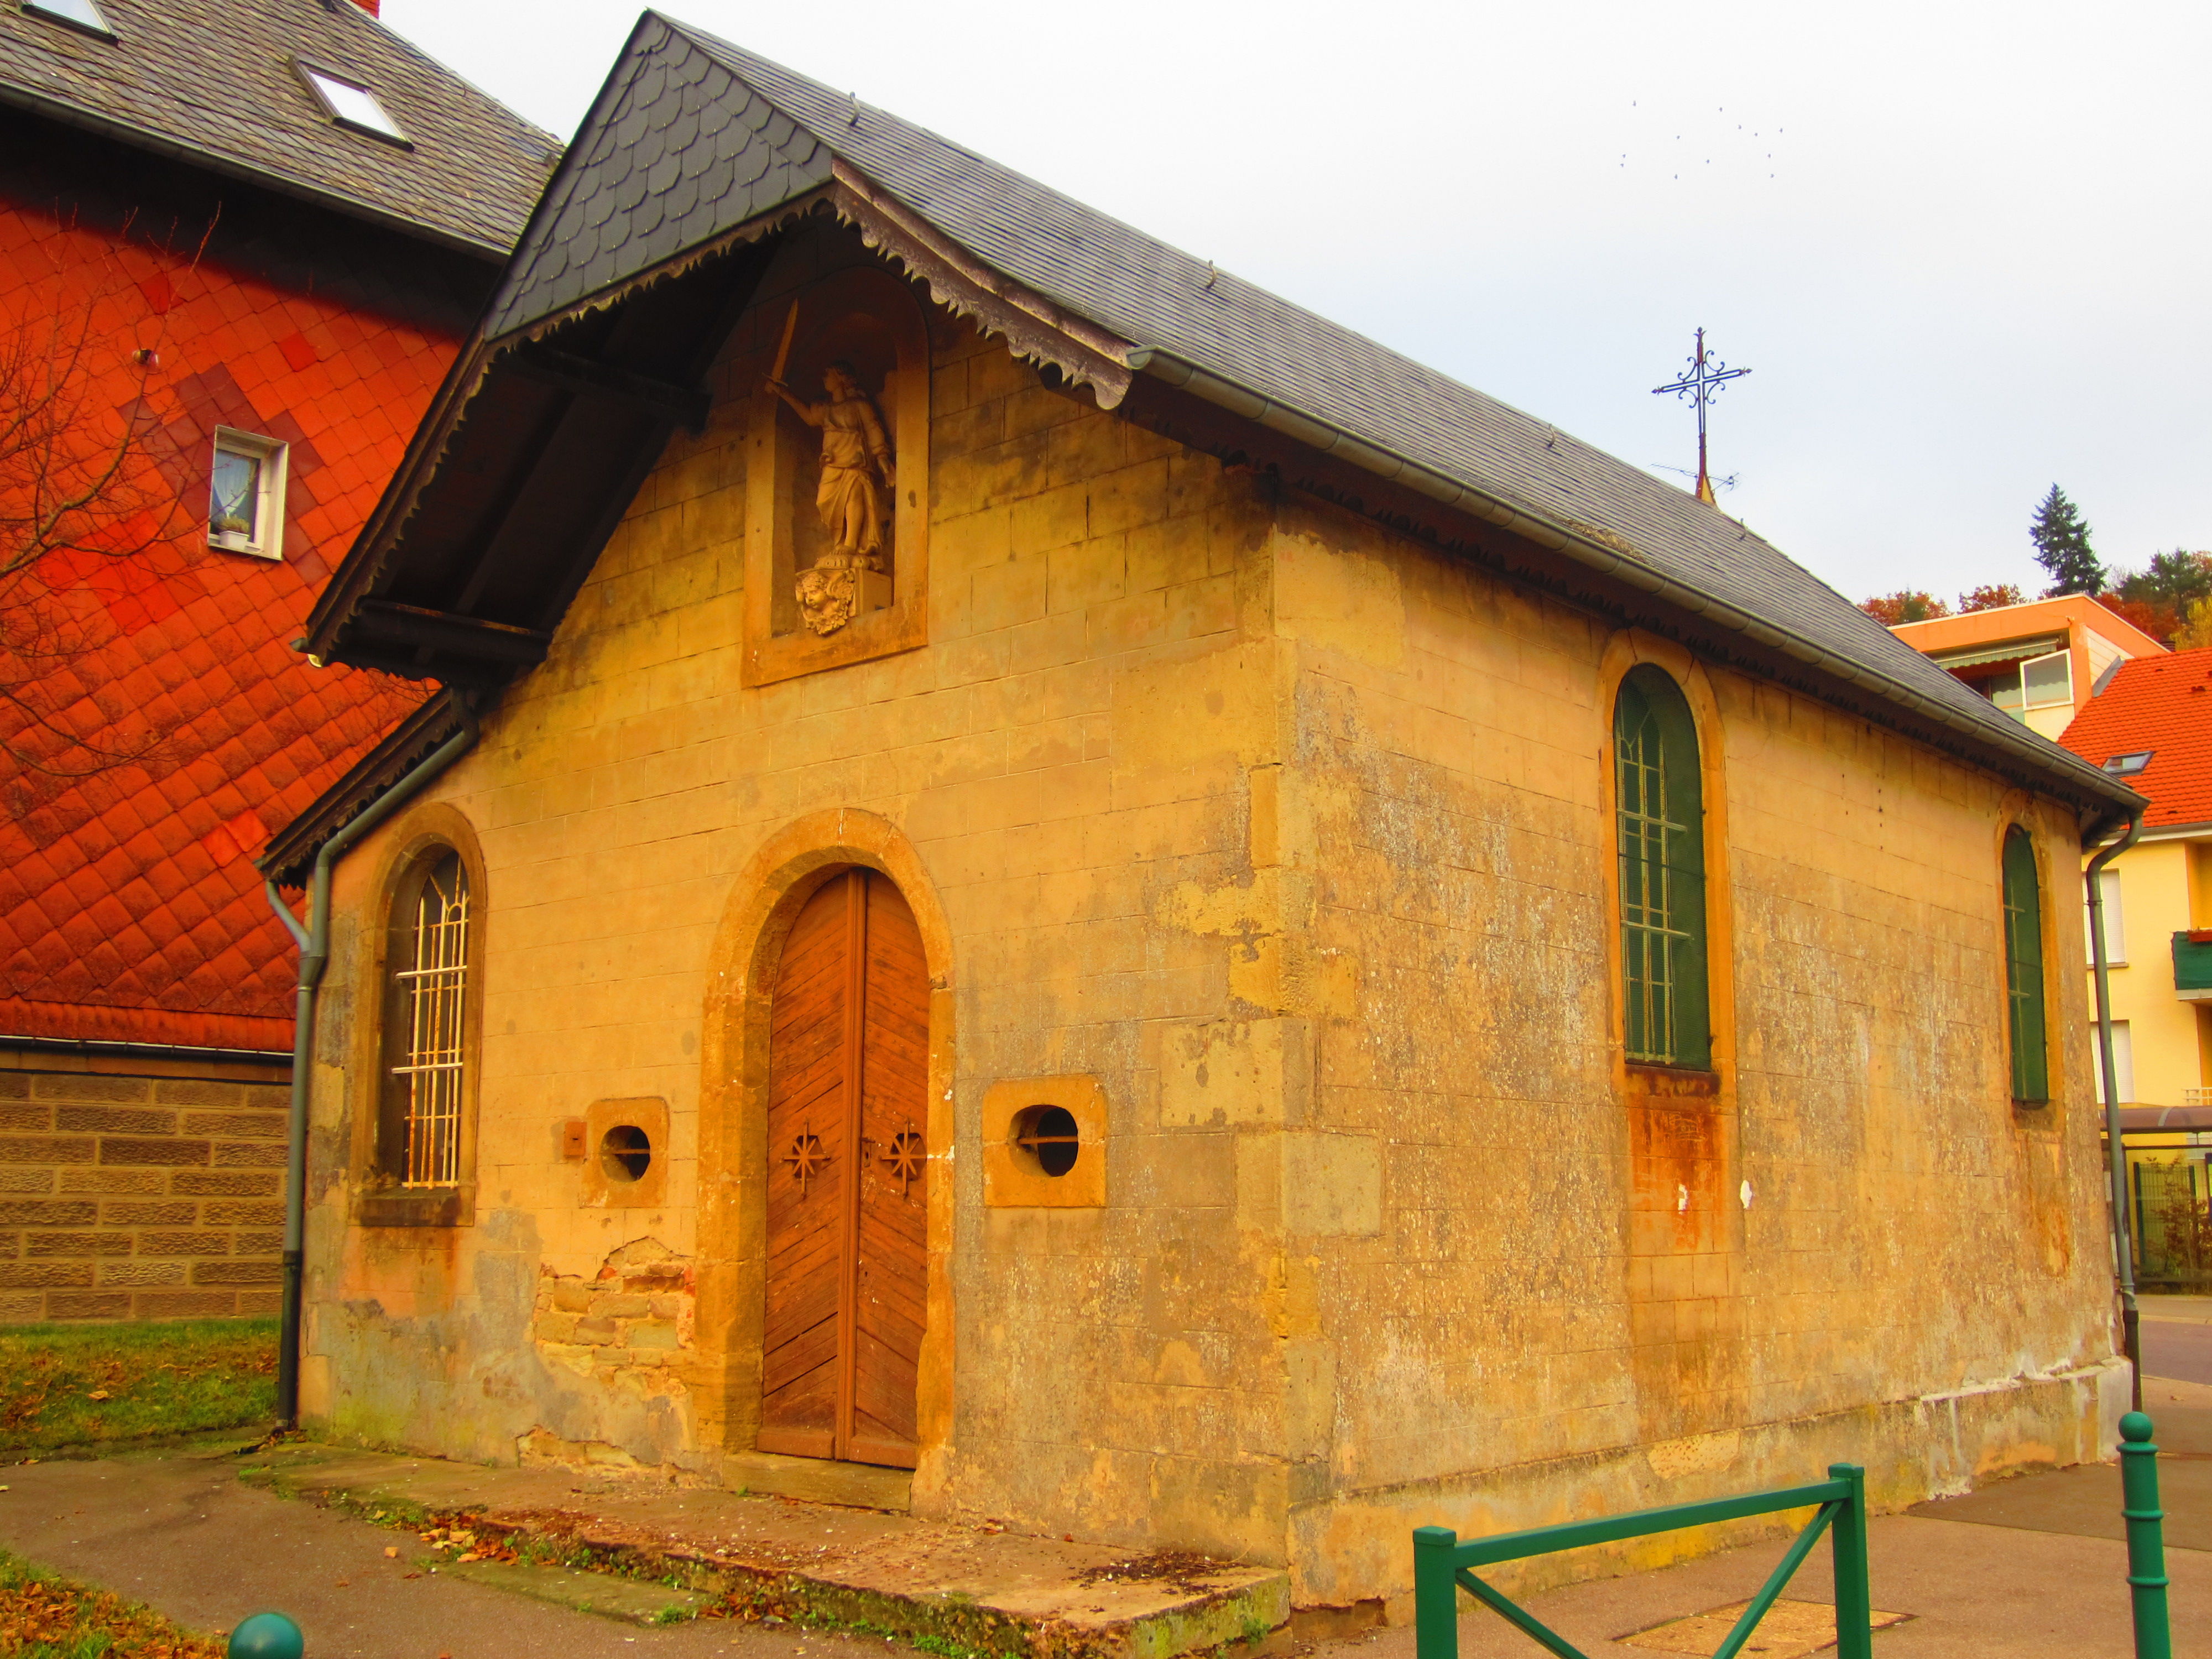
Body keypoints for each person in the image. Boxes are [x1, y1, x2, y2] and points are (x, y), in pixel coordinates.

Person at [768, 361, 894, 570]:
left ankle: (852, 542)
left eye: (829, 375)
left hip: (855, 459)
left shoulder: (858, 405)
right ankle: (840, 540)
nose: (825, 379)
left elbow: (873, 428)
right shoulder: (825, 409)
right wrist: (783, 393)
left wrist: (882, 457)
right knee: (824, 501)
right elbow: (808, 417)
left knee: (853, 498)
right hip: (832, 462)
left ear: (841, 379)